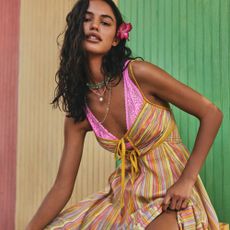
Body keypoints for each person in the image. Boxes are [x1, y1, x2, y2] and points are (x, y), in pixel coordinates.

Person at [26, 0, 223, 229]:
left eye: (105, 22)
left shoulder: (138, 75)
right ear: (75, 30)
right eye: (87, 19)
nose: (95, 26)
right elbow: (62, 187)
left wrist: (186, 181)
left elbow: (212, 113)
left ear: (116, 38)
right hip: (126, 198)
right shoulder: (79, 112)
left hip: (173, 190)